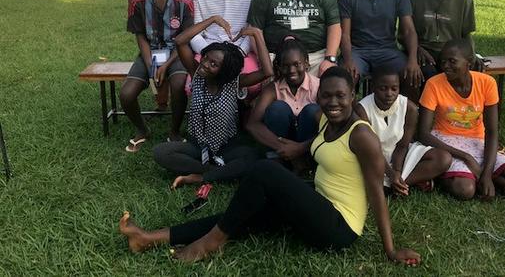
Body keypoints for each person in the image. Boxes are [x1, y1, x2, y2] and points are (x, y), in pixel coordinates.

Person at [119, 67, 421, 266]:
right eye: (326, 95)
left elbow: (376, 193)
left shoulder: (362, 135)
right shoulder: (326, 119)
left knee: (265, 169)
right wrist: (299, 147)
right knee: (242, 212)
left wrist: (391, 251)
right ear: (318, 95)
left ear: (352, 96)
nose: (333, 102)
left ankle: (210, 244)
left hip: (339, 227)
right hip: (316, 202)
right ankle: (148, 238)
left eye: (341, 95)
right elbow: (320, 143)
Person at [153, 20, 273, 186]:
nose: (205, 64)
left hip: (226, 146)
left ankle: (201, 176)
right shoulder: (197, 73)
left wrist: (257, 34)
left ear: (225, 71)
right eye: (206, 58)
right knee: (161, 152)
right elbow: (180, 41)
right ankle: (215, 171)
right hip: (197, 145)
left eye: (213, 64)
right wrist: (212, 20)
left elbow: (267, 72)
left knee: (254, 156)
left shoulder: (234, 82)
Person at [417, 39, 505, 200]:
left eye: (452, 61)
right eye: (443, 61)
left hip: (477, 141)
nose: (445, 66)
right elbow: (423, 133)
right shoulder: (434, 84)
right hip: (446, 141)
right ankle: (449, 176)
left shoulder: (487, 83)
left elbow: (492, 131)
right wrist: (466, 157)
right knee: (465, 190)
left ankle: (483, 177)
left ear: (469, 63)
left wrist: (486, 174)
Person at [120, 0, 193, 152]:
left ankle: (175, 132)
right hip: (148, 52)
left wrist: (166, 65)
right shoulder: (137, 1)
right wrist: (151, 66)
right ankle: (142, 130)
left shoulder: (184, 1)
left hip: (177, 53)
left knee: (178, 84)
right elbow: (140, 36)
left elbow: (185, 39)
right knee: (126, 94)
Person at [355, 65, 452, 196]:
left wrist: (397, 172)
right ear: (373, 87)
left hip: (398, 155)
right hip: (372, 158)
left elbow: (402, 145)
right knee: (361, 175)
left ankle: (396, 185)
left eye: (394, 89)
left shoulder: (409, 108)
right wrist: (390, 173)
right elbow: (371, 151)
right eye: (383, 88)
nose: (389, 93)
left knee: (443, 158)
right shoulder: (362, 110)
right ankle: (398, 185)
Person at [338, 0, 422, 89]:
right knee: (346, 78)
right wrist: (348, 59)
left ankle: (408, 111)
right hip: (358, 51)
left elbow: (409, 30)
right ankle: (354, 111)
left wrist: (412, 60)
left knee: (411, 75)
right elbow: (344, 34)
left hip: (388, 50)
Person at [189, 0, 259, 94]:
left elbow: (250, 31)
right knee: (193, 85)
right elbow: (194, 33)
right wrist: (210, 54)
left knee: (252, 85)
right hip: (207, 52)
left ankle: (243, 115)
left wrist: (239, 53)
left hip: (239, 52)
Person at [408, 0, 483, 80]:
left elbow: (466, 34)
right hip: (422, 51)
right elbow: (404, 34)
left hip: (452, 52)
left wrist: (471, 55)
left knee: (472, 72)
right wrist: (417, 50)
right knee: (428, 74)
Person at [246, 36, 320, 168]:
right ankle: (279, 160)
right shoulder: (273, 89)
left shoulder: (319, 87)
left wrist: (300, 148)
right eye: (286, 66)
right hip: (280, 145)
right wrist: (282, 147)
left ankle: (307, 161)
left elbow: (331, 127)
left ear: (307, 63)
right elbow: (253, 124)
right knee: (277, 109)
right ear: (279, 67)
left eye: (296, 64)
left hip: (308, 145)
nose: (291, 71)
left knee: (312, 110)